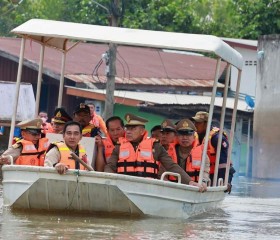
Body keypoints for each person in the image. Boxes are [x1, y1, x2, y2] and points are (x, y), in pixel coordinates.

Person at [104, 113, 206, 192]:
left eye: (133, 128)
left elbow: (171, 166)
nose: (129, 132)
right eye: (128, 128)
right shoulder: (119, 146)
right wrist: (110, 181)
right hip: (125, 187)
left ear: (142, 131)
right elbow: (110, 166)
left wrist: (189, 181)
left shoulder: (155, 146)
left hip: (148, 189)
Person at [191, 111, 235, 191]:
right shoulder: (193, 136)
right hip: (202, 174)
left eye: (198, 123)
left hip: (217, 174)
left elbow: (223, 163)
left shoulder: (217, 138)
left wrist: (225, 182)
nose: (195, 125)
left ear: (206, 123)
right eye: (195, 122)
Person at [162, 119, 210, 184]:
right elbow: (161, 173)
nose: (184, 137)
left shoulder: (202, 155)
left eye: (188, 134)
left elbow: (205, 173)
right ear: (177, 136)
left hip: (193, 190)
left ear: (193, 136)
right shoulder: (168, 153)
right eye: (181, 134)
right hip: (171, 188)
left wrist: (203, 182)